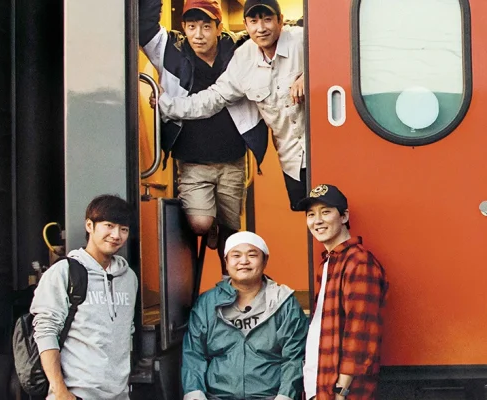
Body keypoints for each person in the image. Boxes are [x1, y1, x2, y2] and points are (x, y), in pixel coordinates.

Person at [139, 0, 269, 277]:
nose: (198, 34)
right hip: (193, 161)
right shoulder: (170, 50)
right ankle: (210, 226)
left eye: (206, 27)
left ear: (219, 28)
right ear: (183, 27)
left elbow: (280, 38)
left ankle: (229, 283)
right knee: (200, 223)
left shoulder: (239, 49)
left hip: (232, 158)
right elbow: (145, 26)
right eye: (191, 26)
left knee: (231, 228)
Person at [156, 0, 308, 211]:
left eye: (267, 20)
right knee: (309, 213)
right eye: (253, 21)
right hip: (292, 157)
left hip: (325, 148)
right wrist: (166, 104)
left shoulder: (302, 39)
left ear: (280, 21)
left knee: (332, 208)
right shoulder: (243, 58)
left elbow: (340, 49)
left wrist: (310, 75)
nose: (261, 28)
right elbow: (214, 98)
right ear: (246, 25)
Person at [31, 195, 138, 400]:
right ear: (90, 225)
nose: (116, 235)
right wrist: (60, 392)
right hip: (76, 394)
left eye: (123, 229)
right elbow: (45, 332)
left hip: (119, 395)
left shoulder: (128, 278)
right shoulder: (63, 272)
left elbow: (127, 333)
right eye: (109, 226)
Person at [181, 231, 308, 400]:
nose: (244, 261)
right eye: (236, 255)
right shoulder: (207, 303)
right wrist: (194, 392)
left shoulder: (283, 302)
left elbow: (294, 357)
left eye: (252, 255)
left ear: (265, 261)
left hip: (270, 397)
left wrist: (285, 395)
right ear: (226, 262)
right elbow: (194, 353)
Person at [298, 184, 389, 400]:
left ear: (344, 216)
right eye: (311, 214)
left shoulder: (359, 262)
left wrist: (341, 390)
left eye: (325, 212)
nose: (317, 221)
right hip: (320, 385)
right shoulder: (328, 262)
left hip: (341, 392)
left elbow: (360, 331)